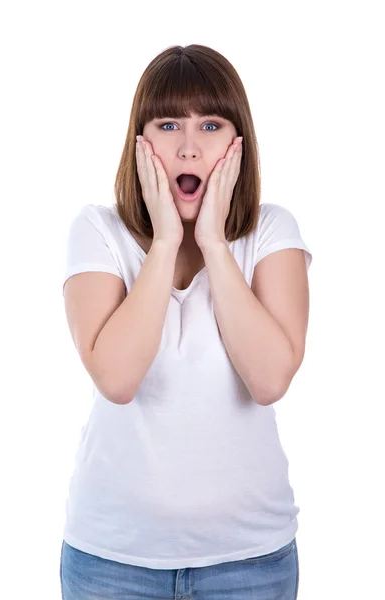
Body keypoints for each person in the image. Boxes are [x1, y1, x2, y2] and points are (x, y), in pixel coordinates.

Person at [60, 43, 312, 600]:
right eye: (169, 123)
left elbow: (270, 380)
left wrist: (214, 245)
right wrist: (167, 240)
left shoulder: (271, 233)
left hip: (251, 563)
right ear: (141, 141)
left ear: (238, 142)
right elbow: (117, 379)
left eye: (212, 124)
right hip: (112, 564)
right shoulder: (98, 232)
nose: (190, 148)